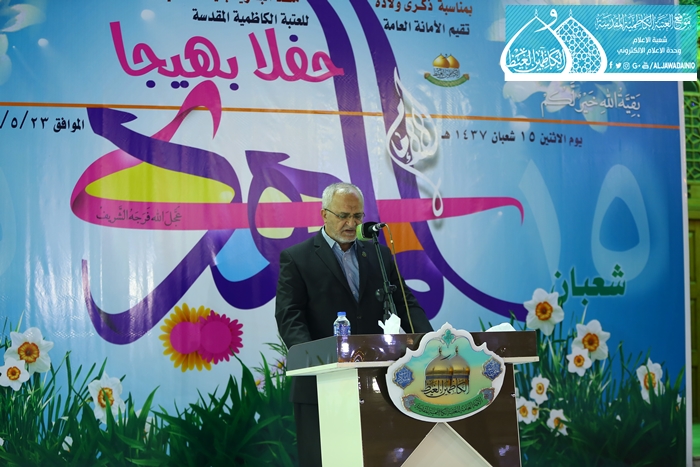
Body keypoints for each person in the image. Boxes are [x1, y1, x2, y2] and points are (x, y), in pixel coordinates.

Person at [275, 182, 433, 467]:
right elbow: (289, 315)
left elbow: (405, 304)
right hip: (321, 385)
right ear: (324, 214)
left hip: (376, 384)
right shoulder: (297, 258)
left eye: (357, 216)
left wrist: (431, 343)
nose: (351, 223)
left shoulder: (378, 255)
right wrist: (314, 359)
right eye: (343, 216)